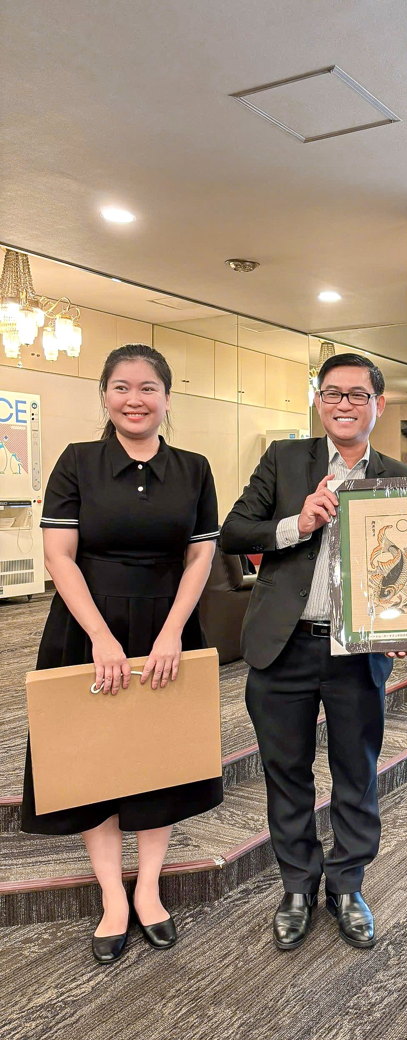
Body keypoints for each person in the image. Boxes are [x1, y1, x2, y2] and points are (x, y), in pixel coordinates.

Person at [20, 343, 222, 963]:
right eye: (122, 388)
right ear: (105, 396)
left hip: (167, 624)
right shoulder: (77, 461)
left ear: (167, 398)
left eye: (148, 388)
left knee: (158, 758)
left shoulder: (193, 468)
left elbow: (200, 557)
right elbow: (59, 556)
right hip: (85, 625)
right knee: (92, 761)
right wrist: (101, 638)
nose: (135, 400)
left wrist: (172, 631)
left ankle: (149, 889)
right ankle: (112, 895)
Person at [219, 352, 407, 951]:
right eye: (333, 393)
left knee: (357, 772)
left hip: (356, 652)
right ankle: (298, 886)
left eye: (358, 395)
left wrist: (402, 624)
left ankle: (348, 885)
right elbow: (235, 531)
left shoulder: (401, 478)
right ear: (318, 401)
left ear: (378, 404)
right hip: (283, 647)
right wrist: (296, 523)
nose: (344, 404)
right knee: (286, 773)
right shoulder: (284, 460)